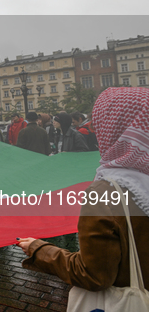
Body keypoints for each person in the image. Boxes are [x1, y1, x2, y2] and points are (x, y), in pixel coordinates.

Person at [18, 87, 149, 297]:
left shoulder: (105, 193)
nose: (96, 129)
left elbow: (94, 274)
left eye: (100, 123)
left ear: (112, 127)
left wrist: (39, 249)